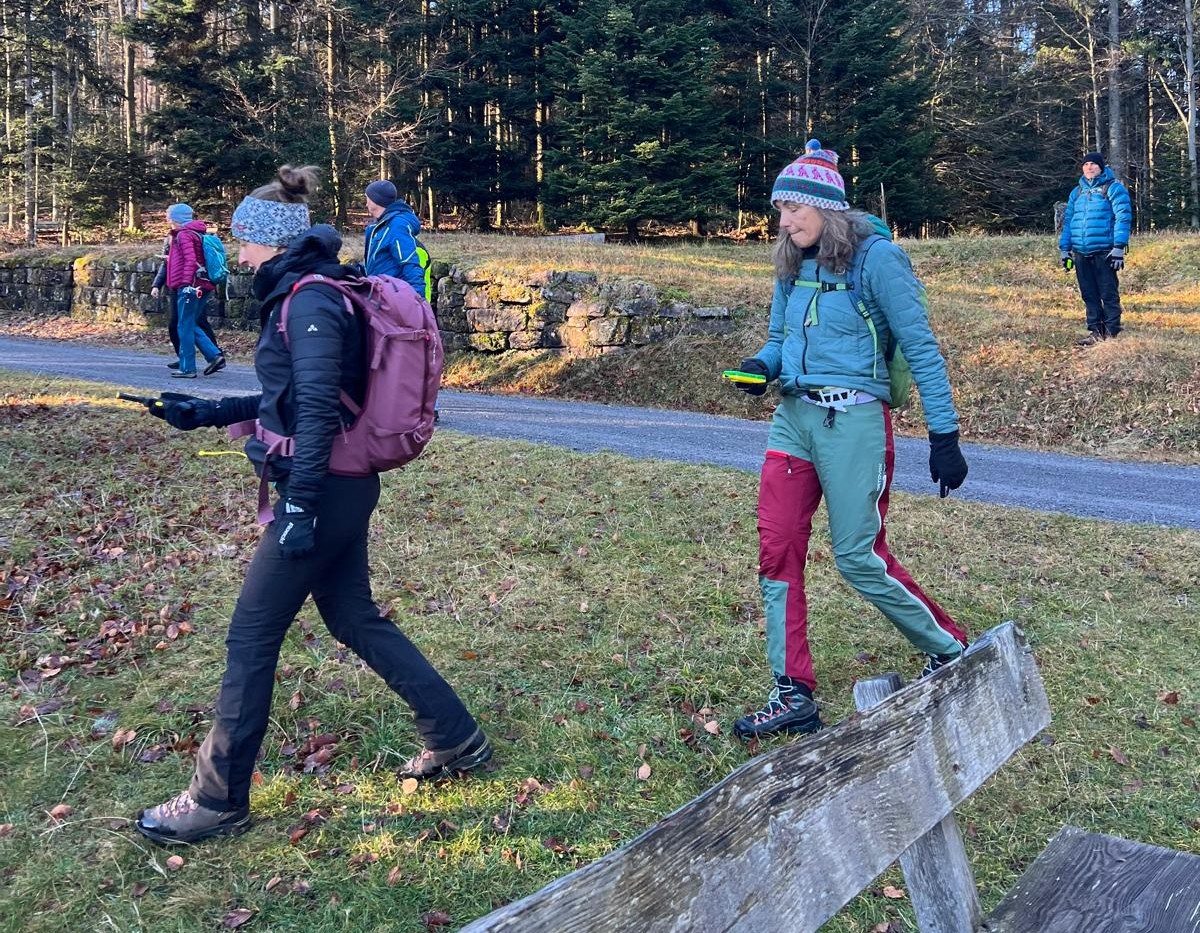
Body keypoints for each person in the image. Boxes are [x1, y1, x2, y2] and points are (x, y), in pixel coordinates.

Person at [134, 166, 490, 845]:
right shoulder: (302, 293)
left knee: (250, 637)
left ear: (270, 242)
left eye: (243, 242)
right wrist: (208, 412)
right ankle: (456, 736)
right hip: (339, 485)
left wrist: (298, 507)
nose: (236, 254)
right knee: (353, 616)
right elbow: (292, 401)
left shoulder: (310, 302)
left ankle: (217, 799)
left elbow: (322, 407)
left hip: (324, 488)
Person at [728, 142, 970, 741]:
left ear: (825, 208)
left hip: (856, 423)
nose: (782, 222)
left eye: (793, 210)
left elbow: (921, 346)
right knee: (777, 546)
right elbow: (780, 337)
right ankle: (793, 691)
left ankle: (948, 649)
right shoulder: (791, 259)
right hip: (793, 419)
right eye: (779, 209)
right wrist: (761, 366)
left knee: (858, 558)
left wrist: (945, 434)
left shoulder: (878, 259)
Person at [1058, 152, 1132, 347]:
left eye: (1093, 164)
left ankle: (1111, 332)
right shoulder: (1077, 192)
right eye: (1086, 164)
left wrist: (1118, 247)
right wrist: (1065, 250)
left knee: (1108, 293)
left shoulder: (1114, 188)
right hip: (1081, 252)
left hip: (1105, 251)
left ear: (1101, 167)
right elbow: (1068, 222)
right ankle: (1095, 332)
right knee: (1089, 294)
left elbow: (1123, 218)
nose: (1089, 167)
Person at [151, 203, 226, 377]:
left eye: (169, 214)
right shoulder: (193, 233)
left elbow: (191, 260)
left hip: (189, 285)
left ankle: (188, 368)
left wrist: (185, 284)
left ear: (177, 217)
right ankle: (214, 356)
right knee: (189, 323)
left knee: (184, 325)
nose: (166, 217)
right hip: (200, 283)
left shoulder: (184, 235)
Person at [363, 180, 430, 300]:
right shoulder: (377, 227)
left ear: (376, 200)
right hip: (379, 297)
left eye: (367, 198)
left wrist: (419, 302)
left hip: (393, 300)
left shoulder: (396, 225)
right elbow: (374, 263)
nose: (366, 203)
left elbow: (410, 262)